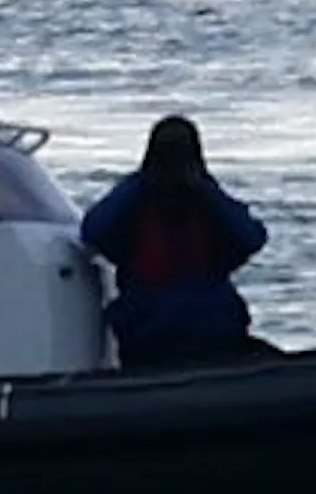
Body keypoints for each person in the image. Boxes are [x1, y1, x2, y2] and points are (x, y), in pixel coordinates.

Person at [79, 114, 272, 370]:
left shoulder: (201, 203)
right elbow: (94, 230)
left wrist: (201, 188)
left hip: (200, 335)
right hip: (163, 338)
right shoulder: (139, 204)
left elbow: (251, 237)